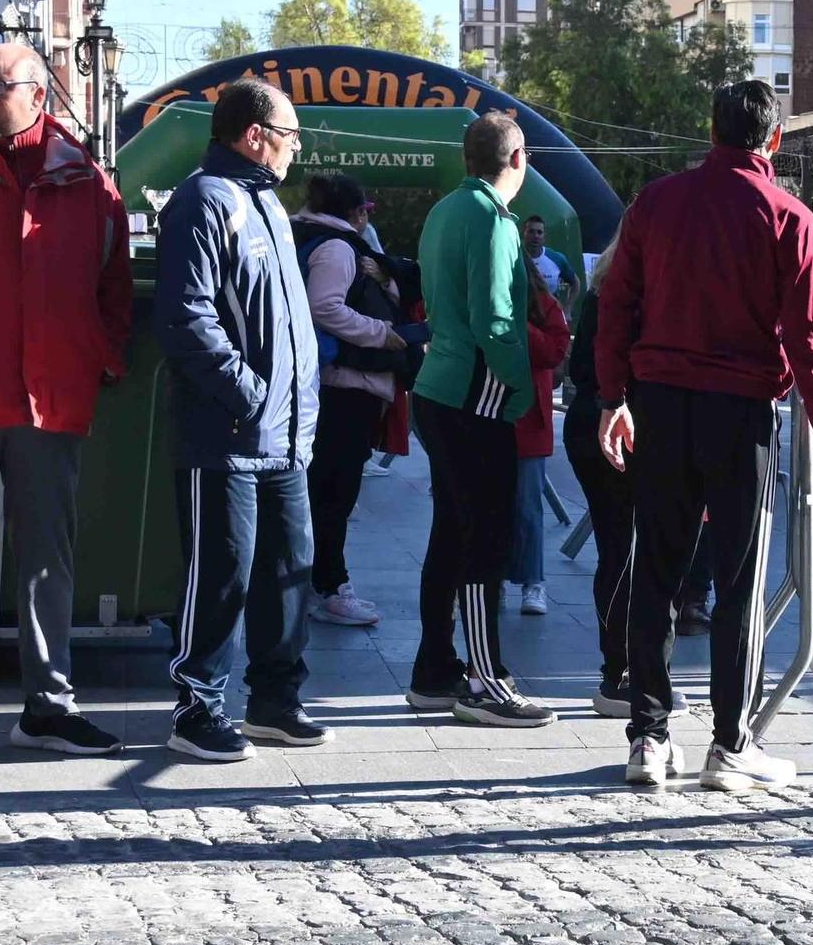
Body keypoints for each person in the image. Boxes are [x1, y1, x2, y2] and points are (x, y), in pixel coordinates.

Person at [598, 79, 813, 791]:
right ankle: (730, 743)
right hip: (740, 413)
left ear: (710, 131)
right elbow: (810, 334)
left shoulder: (657, 203)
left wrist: (613, 396)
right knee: (737, 579)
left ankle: (647, 735)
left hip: (661, 402)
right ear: (774, 140)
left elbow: (617, 301)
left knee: (656, 569)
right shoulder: (788, 216)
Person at [0, 42, 132, 767]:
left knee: (48, 561)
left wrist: (102, 357)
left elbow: (114, 284)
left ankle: (48, 707)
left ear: (37, 94)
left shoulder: (86, 179)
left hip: (49, 400)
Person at [154, 79, 327, 759]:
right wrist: (249, 393)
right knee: (222, 571)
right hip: (224, 436)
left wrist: (294, 407)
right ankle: (197, 710)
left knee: (292, 567)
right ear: (254, 135)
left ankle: (274, 702)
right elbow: (185, 316)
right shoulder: (203, 200)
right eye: (289, 135)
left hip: (284, 438)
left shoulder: (270, 207)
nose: (295, 149)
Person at [405, 112, 559, 728]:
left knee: (451, 533)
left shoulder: (445, 211)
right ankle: (486, 680)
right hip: (476, 392)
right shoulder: (496, 221)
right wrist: (520, 389)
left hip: (439, 387)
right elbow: (497, 321)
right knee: (486, 541)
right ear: (517, 159)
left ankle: (434, 670)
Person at [565, 252, 693, 722]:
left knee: (620, 548)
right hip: (627, 424)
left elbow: (583, 366)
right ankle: (624, 673)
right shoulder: (646, 289)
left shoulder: (605, 287)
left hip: (598, 421)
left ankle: (625, 669)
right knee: (635, 552)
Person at [295, 171, 419, 626]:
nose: (368, 217)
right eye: (365, 209)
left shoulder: (316, 239)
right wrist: (381, 334)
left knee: (323, 490)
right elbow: (323, 306)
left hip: (335, 384)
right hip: (345, 386)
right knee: (335, 491)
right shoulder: (338, 248)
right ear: (355, 211)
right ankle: (330, 585)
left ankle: (315, 581)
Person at [509, 282, 571, 616]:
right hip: (490, 417)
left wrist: (518, 322)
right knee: (492, 505)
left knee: (527, 506)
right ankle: (494, 578)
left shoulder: (543, 304)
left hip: (528, 420)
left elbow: (553, 352)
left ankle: (533, 581)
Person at [522, 215, 578, 307]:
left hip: (548, 315)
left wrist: (567, 309)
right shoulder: (515, 257)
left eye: (539, 232)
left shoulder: (556, 259)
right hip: (522, 314)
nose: (535, 236)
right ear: (523, 234)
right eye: (531, 231)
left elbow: (575, 283)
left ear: (544, 237)